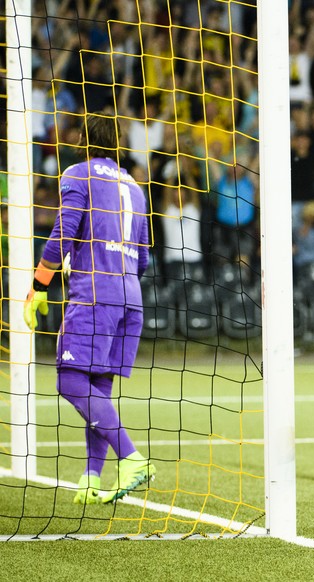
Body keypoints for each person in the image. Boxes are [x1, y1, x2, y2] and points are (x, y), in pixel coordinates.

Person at [22, 114, 155, 504]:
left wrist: (38, 285)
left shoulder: (78, 174)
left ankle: (131, 458)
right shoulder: (135, 187)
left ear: (82, 139)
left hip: (95, 292)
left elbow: (63, 230)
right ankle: (91, 478)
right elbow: (144, 259)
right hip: (130, 296)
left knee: (70, 381)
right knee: (97, 386)